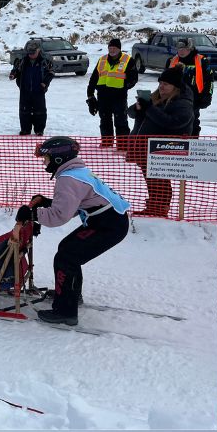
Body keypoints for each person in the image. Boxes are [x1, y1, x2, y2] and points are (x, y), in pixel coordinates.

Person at [21, 136, 132, 327]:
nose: (44, 162)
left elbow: (59, 216)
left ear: (58, 158)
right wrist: (47, 203)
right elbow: (73, 205)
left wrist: (33, 213)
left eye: (45, 158)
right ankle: (69, 295)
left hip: (108, 226)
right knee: (68, 249)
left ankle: (65, 311)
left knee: (67, 257)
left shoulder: (68, 179)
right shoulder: (77, 171)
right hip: (110, 221)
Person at [126, 78, 199, 219]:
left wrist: (149, 108)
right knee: (151, 179)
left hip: (163, 150)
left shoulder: (182, 103)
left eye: (166, 84)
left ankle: (161, 207)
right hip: (144, 147)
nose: (161, 87)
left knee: (160, 181)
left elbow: (173, 122)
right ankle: (154, 205)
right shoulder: (155, 98)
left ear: (175, 87)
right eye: (160, 83)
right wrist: (138, 107)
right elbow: (130, 113)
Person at [88, 37, 139, 140]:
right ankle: (106, 144)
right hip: (103, 96)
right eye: (110, 48)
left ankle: (123, 145)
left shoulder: (128, 60)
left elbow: (133, 78)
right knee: (105, 121)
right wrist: (90, 95)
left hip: (119, 96)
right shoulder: (102, 60)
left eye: (114, 48)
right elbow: (94, 78)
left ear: (119, 49)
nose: (112, 50)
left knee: (121, 121)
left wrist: (124, 87)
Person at [11, 40, 52, 136]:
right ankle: (25, 129)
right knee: (24, 110)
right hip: (25, 90)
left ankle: (39, 130)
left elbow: (51, 73)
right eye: (29, 53)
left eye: (33, 53)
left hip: (39, 90)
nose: (31, 55)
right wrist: (13, 75)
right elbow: (15, 70)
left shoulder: (44, 61)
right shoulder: (22, 60)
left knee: (40, 110)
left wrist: (45, 83)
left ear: (38, 51)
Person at [161, 35, 211, 108]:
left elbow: (209, 80)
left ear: (190, 49)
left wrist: (207, 96)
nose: (181, 51)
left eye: (184, 49)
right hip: (174, 98)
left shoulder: (202, 60)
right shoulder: (172, 61)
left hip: (195, 98)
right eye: (179, 49)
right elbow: (164, 80)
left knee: (192, 118)